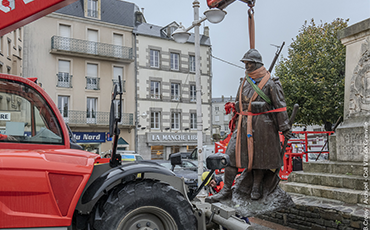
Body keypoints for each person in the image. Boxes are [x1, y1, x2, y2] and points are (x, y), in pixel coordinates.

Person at [206, 49, 291, 203]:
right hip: (243, 124)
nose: (246, 65)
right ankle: (226, 190)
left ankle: (256, 187)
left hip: (262, 126)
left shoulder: (271, 83)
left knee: (259, 159)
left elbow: (280, 106)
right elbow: (239, 100)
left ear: (257, 63)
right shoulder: (244, 81)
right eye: (245, 63)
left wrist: (284, 127)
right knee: (230, 156)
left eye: (249, 63)